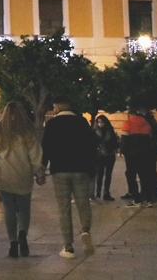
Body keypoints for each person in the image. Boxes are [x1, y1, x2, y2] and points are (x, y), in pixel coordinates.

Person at [0, 102, 45, 258]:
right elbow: (35, 155)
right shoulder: (28, 132)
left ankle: (13, 243)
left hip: (5, 177)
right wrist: (39, 172)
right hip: (24, 176)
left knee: (9, 211)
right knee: (24, 209)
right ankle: (23, 234)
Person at [41, 95, 97, 258]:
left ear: (57, 107)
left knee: (63, 208)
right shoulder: (82, 122)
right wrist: (91, 167)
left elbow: (46, 147)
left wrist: (42, 169)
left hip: (60, 170)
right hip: (81, 169)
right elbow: (93, 144)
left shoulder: (51, 124)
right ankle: (85, 230)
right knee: (83, 203)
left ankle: (68, 247)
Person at [120, 105, 155, 207]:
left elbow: (124, 140)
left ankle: (137, 199)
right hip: (145, 154)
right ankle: (148, 199)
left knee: (131, 176)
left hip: (131, 155)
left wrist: (123, 151)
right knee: (144, 176)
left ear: (130, 114)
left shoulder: (128, 123)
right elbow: (150, 140)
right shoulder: (146, 124)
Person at [93, 115, 118, 201]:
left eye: (102, 122)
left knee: (108, 175)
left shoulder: (110, 131)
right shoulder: (95, 131)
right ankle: (98, 192)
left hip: (109, 155)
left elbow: (114, 143)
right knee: (99, 174)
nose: (100, 124)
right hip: (99, 156)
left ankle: (106, 192)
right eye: (99, 122)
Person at [141, 108, 157, 203]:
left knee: (149, 171)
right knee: (151, 171)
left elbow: (151, 137)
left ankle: (152, 193)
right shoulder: (152, 121)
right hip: (153, 149)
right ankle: (153, 193)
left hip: (150, 149)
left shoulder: (149, 123)